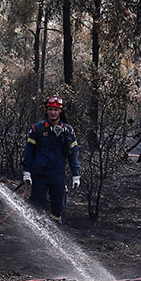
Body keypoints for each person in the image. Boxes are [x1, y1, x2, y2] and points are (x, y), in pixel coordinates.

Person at [21, 94, 80, 222]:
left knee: (58, 206)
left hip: (57, 175)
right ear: (46, 110)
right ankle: (38, 234)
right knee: (38, 205)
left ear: (60, 111)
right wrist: (27, 171)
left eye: (56, 109)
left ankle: (55, 227)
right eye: (50, 109)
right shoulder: (37, 129)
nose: (53, 112)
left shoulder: (68, 131)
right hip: (39, 174)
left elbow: (73, 153)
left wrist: (76, 174)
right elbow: (29, 152)